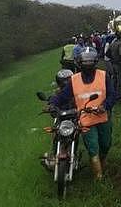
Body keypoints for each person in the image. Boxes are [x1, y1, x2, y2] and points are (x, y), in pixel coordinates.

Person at [49, 47, 116, 179]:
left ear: (95, 62)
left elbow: (112, 95)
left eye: (90, 62)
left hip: (103, 117)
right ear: (79, 63)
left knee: (106, 144)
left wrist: (105, 106)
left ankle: (102, 162)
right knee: (93, 147)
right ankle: (99, 177)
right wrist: (52, 103)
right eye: (85, 62)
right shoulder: (74, 80)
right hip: (86, 120)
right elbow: (63, 95)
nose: (87, 65)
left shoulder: (103, 76)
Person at [108, 31, 121, 99]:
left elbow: (107, 53)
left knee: (114, 79)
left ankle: (113, 93)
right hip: (119, 64)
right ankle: (119, 96)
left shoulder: (113, 44)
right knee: (120, 80)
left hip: (112, 63)